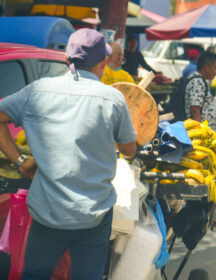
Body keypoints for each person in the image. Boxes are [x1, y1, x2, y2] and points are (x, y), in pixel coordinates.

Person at [0, 28, 137, 279]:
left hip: (48, 210)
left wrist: (19, 159)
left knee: (34, 275)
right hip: (93, 213)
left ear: (66, 59)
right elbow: (129, 149)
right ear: (103, 63)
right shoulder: (113, 99)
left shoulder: (37, 90)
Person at [184, 51, 216, 130]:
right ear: (206, 67)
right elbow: (194, 110)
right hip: (203, 134)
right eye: (215, 68)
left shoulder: (199, 80)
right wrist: (201, 133)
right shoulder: (197, 82)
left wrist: (213, 112)